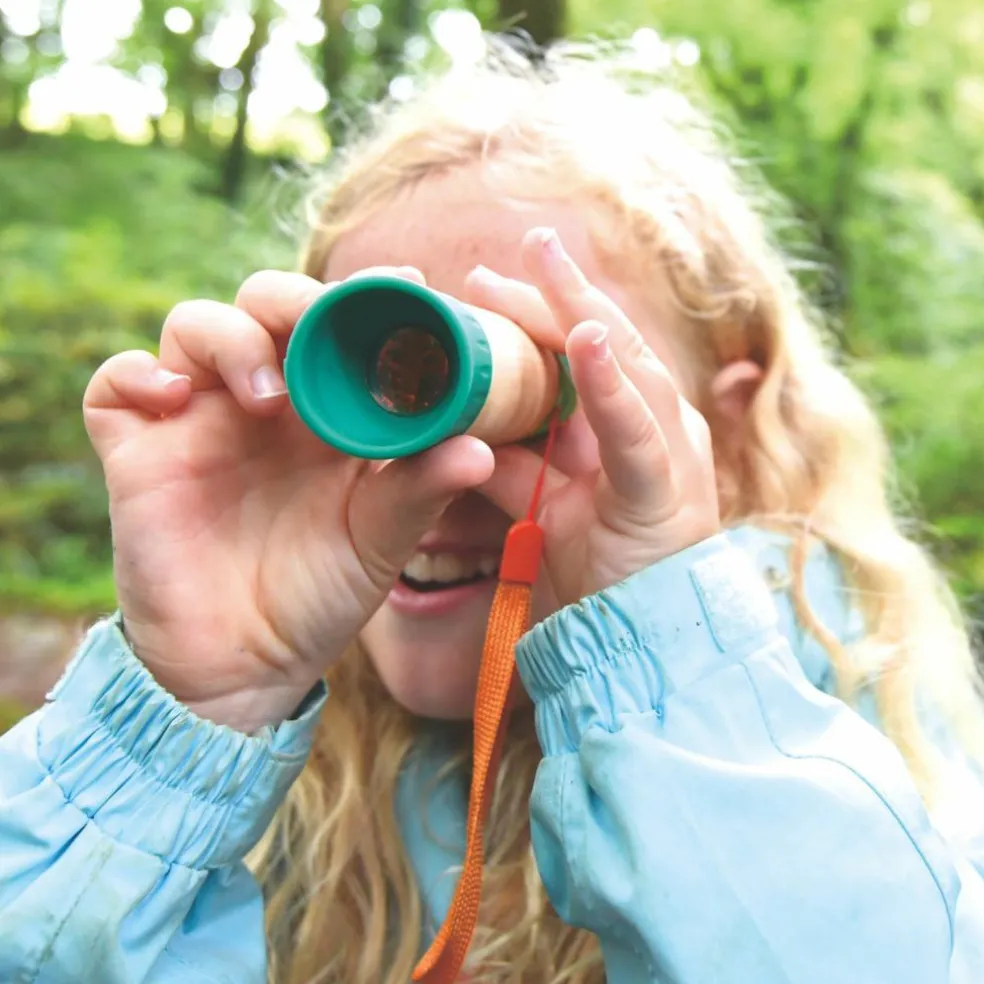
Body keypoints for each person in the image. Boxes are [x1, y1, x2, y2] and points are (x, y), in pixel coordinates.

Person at [2, 38, 983, 984]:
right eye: (392, 380)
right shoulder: (289, 751)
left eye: (551, 392)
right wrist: (187, 720)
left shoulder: (829, 683)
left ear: (724, 435)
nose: (444, 469)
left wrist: (668, 665)